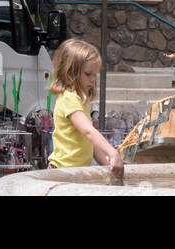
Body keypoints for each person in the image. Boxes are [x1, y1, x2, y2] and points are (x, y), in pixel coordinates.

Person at [47, 38, 123, 174]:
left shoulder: (79, 100)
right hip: (62, 171)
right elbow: (89, 132)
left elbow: (92, 146)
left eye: (95, 74)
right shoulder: (68, 98)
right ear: (70, 72)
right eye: (88, 74)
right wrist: (113, 153)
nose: (93, 79)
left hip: (75, 172)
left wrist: (109, 165)